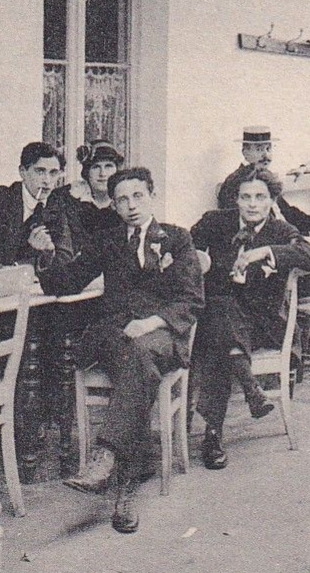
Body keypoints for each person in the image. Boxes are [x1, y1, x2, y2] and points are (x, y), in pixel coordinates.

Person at [34, 167, 203, 534]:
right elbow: (65, 281)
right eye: (122, 199)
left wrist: (152, 322)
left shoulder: (177, 239)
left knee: (141, 357)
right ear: (113, 205)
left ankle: (109, 461)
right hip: (114, 335)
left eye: (138, 196)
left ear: (152, 195)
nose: (131, 206)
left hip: (161, 335)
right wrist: (45, 255)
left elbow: (191, 300)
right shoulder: (107, 240)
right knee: (135, 362)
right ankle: (123, 489)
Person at [189, 166, 310, 470]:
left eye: (260, 197)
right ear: (235, 200)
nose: (252, 204)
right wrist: (199, 259)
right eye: (245, 197)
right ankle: (246, 393)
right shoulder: (216, 222)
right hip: (221, 321)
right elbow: (184, 248)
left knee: (218, 329)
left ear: (271, 201)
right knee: (221, 321)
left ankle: (214, 433)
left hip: (262, 324)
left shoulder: (281, 231)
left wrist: (264, 251)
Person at [217, 126, 310, 234]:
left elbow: (286, 211)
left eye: (268, 149)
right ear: (245, 152)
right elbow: (242, 225)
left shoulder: (265, 177)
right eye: (259, 149)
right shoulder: (236, 182)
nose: (266, 155)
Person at [0, 142, 72, 268]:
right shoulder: (1, 199)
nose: (47, 180)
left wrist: (49, 252)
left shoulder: (58, 204)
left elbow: (65, 260)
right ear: (22, 172)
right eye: (40, 171)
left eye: (53, 173)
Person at [66, 140, 127, 241]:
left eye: (108, 166)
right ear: (87, 172)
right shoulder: (69, 197)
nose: (102, 174)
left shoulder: (127, 199)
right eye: (96, 167)